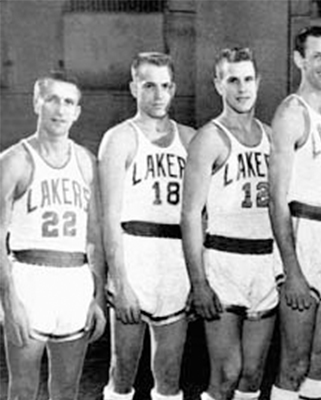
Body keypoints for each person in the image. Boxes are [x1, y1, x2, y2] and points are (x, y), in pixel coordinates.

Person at [0, 71, 107, 399]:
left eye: (69, 102)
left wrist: (97, 297)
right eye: (52, 100)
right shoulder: (14, 161)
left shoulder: (86, 161)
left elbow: (94, 236)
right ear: (37, 103)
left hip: (75, 281)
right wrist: (9, 301)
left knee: (67, 389)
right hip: (29, 280)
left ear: (77, 111)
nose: (60, 109)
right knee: (23, 389)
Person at [181, 47, 278, 400]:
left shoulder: (272, 136)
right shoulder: (209, 138)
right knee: (226, 374)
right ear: (218, 84)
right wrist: (198, 282)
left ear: (258, 82)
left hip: (264, 261)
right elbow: (190, 214)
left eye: (248, 79)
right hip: (224, 260)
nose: (242, 88)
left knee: (252, 375)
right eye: (233, 80)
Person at [98, 52, 197, 400]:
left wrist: (198, 277)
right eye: (149, 86)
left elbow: (202, 216)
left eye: (165, 86)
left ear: (174, 89)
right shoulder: (119, 138)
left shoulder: (191, 139)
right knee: (122, 370)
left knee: (169, 375)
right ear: (133, 88)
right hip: (134, 255)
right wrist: (120, 281)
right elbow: (109, 217)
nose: (158, 95)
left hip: (176, 261)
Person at [267, 26, 321, 400]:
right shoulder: (291, 113)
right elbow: (276, 200)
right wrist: (292, 270)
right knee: (295, 362)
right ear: (299, 60)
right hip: (304, 239)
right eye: (317, 56)